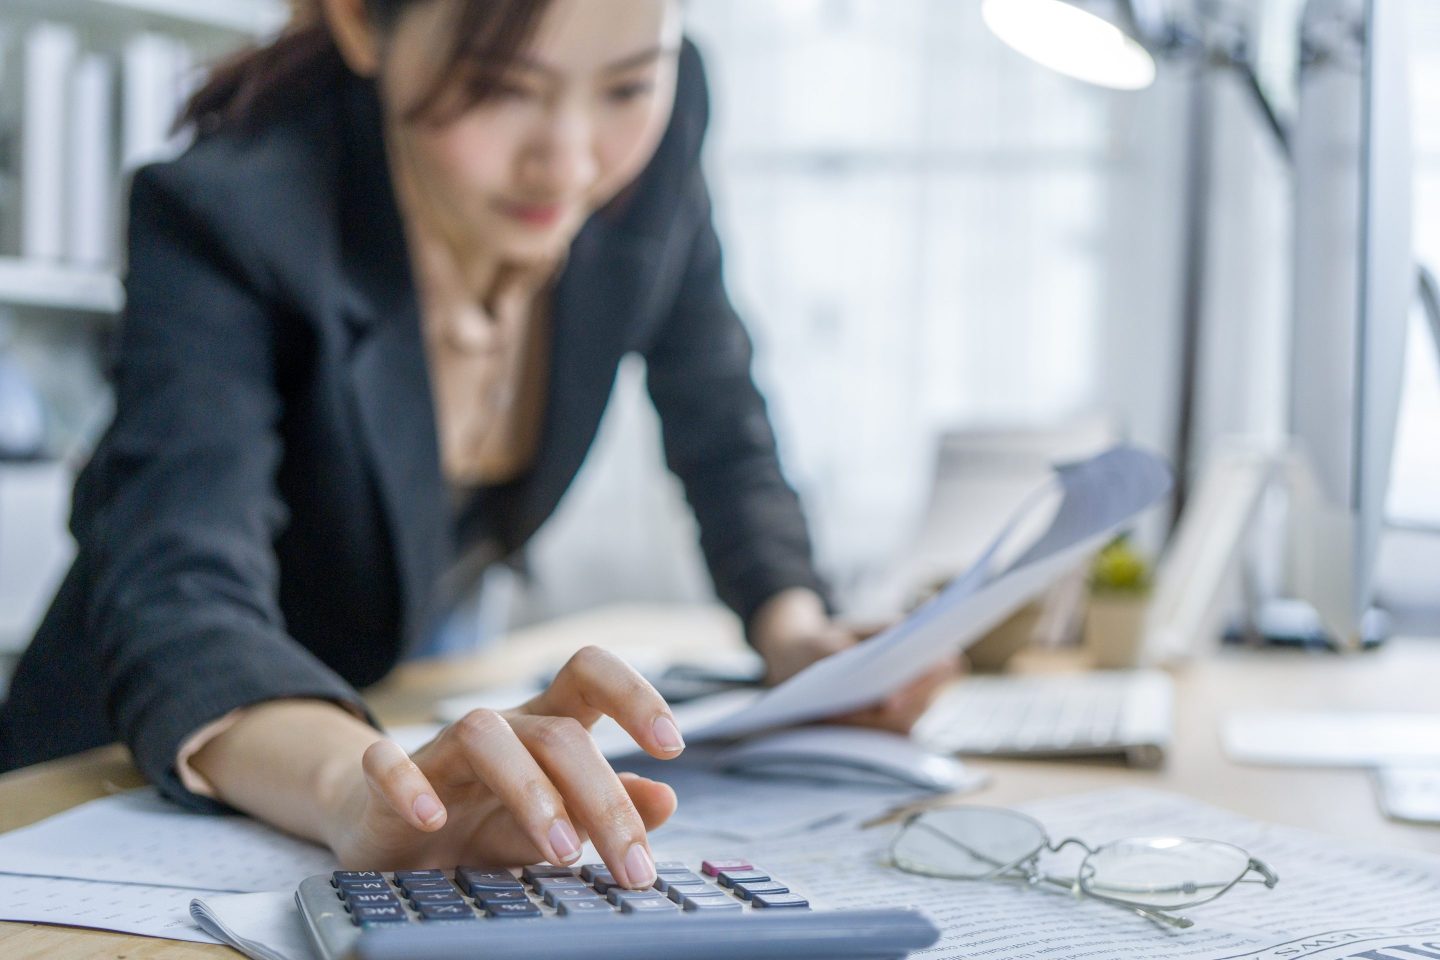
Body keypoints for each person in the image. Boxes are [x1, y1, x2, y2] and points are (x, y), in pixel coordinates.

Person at [0, 0, 955, 888]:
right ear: (362, 23)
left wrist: (798, 634)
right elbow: (182, 589)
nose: (570, 163)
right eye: (503, 86)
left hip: (371, 712)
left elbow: (718, 410)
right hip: (117, 770)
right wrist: (361, 790)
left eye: (626, 87)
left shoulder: (661, 136)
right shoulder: (232, 209)